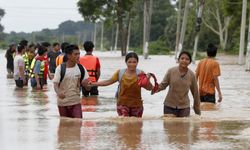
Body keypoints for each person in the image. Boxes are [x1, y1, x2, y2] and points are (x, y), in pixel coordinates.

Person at [90, 52, 153, 118]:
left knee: (136, 126)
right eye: (129, 62)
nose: (132, 64)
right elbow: (108, 82)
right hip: (122, 105)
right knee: (123, 125)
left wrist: (147, 79)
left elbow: (149, 88)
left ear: (137, 62)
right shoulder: (120, 73)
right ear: (126, 62)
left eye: (134, 62)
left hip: (137, 105)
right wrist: (94, 84)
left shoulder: (141, 74)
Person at [152, 51, 200, 117]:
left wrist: (198, 112)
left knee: (183, 126)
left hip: (184, 107)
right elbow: (163, 85)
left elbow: (195, 94)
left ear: (190, 62)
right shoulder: (171, 71)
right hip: (169, 106)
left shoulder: (192, 75)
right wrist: (153, 88)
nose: (184, 60)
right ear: (178, 60)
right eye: (182, 58)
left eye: (187, 59)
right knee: (169, 126)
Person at [53, 44, 89, 118]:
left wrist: (87, 85)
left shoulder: (81, 68)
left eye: (79, 54)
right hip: (62, 103)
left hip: (76, 102)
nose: (78, 56)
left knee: (78, 123)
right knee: (64, 126)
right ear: (69, 56)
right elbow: (55, 84)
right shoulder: (60, 69)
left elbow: (88, 87)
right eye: (75, 54)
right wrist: (58, 92)